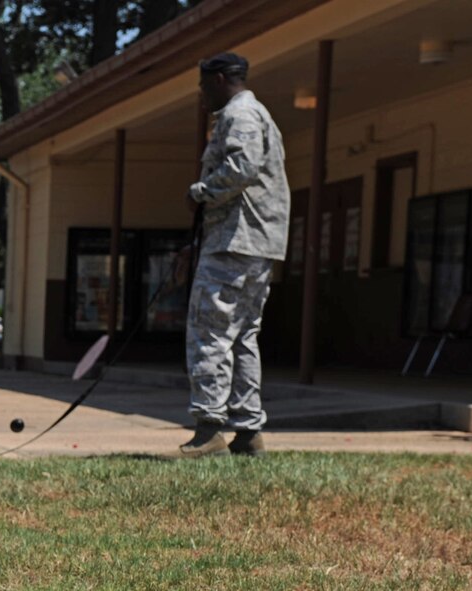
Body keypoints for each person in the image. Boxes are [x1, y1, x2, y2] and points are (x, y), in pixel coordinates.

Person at [179, 52, 290, 457]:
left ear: (223, 79)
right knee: (243, 336)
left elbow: (241, 168)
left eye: (205, 84)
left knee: (209, 331)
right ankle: (247, 433)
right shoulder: (260, 115)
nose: (201, 93)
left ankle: (208, 431)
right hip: (254, 244)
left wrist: (200, 193)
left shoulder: (239, 115)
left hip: (235, 242)